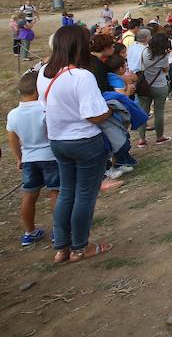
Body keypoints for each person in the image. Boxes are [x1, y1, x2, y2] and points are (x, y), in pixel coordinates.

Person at [37, 25, 114, 263]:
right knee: (84, 195)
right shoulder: (81, 76)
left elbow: (44, 106)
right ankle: (80, 247)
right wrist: (110, 111)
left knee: (66, 193)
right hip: (84, 140)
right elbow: (93, 115)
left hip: (58, 140)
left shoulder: (44, 73)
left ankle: (62, 247)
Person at [7, 70, 59, 246]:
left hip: (29, 157)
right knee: (56, 191)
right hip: (50, 155)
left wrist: (19, 157)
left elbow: (12, 138)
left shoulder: (13, 114)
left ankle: (29, 232)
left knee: (29, 194)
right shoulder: (45, 108)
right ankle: (58, 231)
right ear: (39, 90)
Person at [134, 32, 172, 147]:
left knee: (143, 112)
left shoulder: (145, 51)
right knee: (159, 112)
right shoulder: (164, 56)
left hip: (144, 85)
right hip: (160, 85)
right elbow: (165, 70)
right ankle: (159, 137)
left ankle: (141, 139)